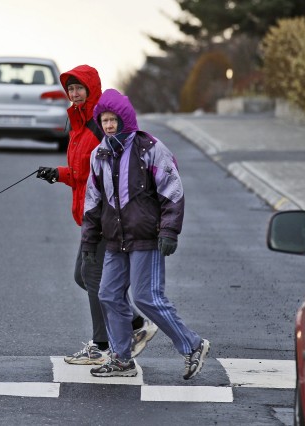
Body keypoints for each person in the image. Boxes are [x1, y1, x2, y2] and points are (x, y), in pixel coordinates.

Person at [82, 88, 210, 379]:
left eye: (114, 119)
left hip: (145, 238)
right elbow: (93, 201)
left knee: (146, 297)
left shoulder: (150, 148)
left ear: (125, 118)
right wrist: (89, 241)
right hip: (115, 240)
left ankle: (193, 345)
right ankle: (121, 359)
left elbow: (173, 190)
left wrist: (169, 231)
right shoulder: (98, 154)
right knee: (109, 294)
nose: (109, 125)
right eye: (104, 120)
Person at [36, 65, 157, 366]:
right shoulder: (78, 123)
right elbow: (83, 171)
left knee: (92, 277)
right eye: (70, 89)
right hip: (92, 214)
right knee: (84, 276)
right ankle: (134, 324)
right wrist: (58, 174)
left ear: (91, 88)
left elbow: (107, 167)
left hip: (107, 214)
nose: (74, 93)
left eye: (79, 88)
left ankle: (102, 344)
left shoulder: (98, 122)